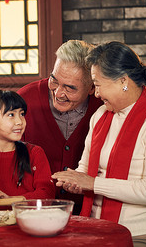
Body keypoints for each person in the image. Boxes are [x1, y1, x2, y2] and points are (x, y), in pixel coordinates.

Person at [51, 41, 146, 247]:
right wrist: (73, 181)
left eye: (98, 84)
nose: (95, 93)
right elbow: (85, 170)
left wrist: (93, 184)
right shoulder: (101, 115)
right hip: (99, 228)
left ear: (123, 81)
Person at [18, 40, 102, 212]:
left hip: (87, 210)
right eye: (54, 81)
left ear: (92, 88)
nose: (58, 93)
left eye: (70, 88)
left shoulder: (103, 106)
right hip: (32, 209)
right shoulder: (25, 100)